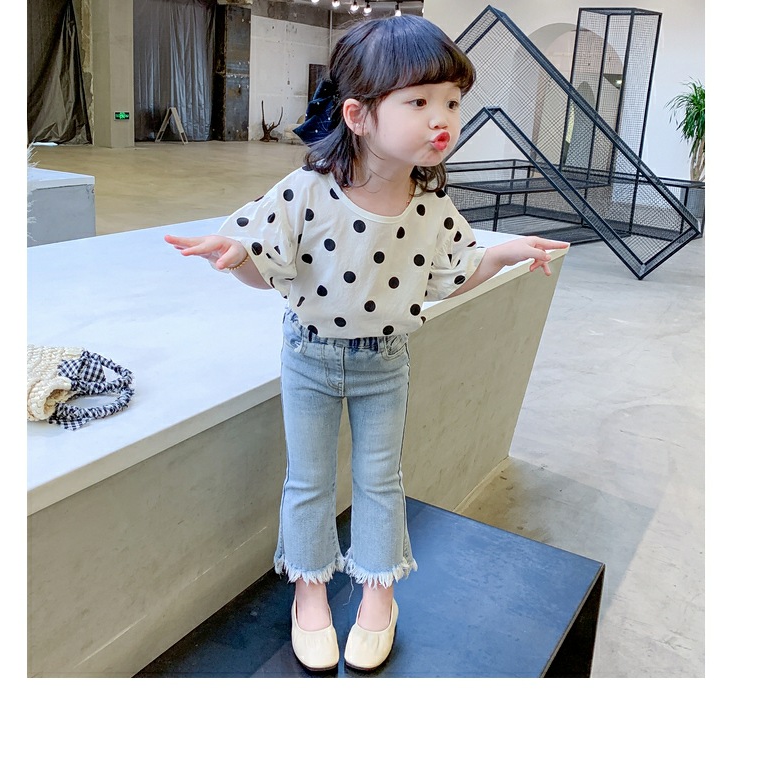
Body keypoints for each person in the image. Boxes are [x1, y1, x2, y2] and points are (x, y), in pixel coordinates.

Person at [165, 14, 569, 673]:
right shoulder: (304, 192)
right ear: (357, 114)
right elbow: (264, 264)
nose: (441, 119)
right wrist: (236, 256)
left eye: (452, 102)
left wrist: (500, 256)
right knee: (309, 481)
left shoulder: (431, 207)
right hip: (309, 358)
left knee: (381, 480)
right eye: (419, 102)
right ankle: (310, 592)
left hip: (385, 363)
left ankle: (379, 592)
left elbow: (448, 277)